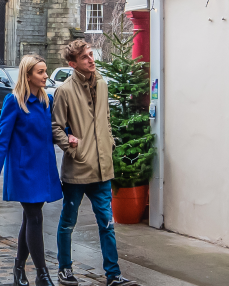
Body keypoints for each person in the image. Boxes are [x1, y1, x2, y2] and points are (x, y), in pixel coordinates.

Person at [51, 39, 135, 286]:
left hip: (102, 169)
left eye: (91, 54)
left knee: (107, 224)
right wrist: (71, 146)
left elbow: (105, 119)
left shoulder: (103, 84)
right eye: (85, 57)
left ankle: (113, 274)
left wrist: (109, 143)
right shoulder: (65, 90)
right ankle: (65, 269)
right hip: (77, 169)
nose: (91, 59)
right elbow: (56, 127)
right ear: (73, 63)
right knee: (68, 222)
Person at [0, 54, 63, 286]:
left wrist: (69, 135)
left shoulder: (46, 101)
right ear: (27, 75)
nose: (46, 75)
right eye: (40, 72)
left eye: (45, 71)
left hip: (43, 168)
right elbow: (2, 139)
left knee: (30, 219)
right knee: (35, 217)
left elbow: (55, 129)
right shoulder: (14, 102)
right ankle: (43, 274)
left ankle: (19, 269)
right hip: (24, 170)